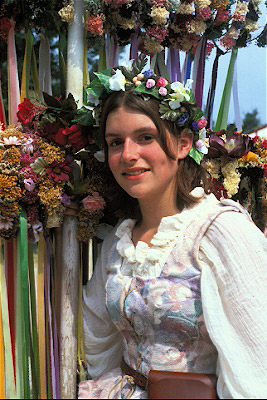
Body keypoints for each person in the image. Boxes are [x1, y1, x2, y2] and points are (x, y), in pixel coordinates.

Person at [78, 57, 267, 399]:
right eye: (116, 142)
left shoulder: (219, 231)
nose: (129, 154)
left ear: (182, 144)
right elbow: (98, 338)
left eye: (145, 137)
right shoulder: (118, 241)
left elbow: (258, 357)